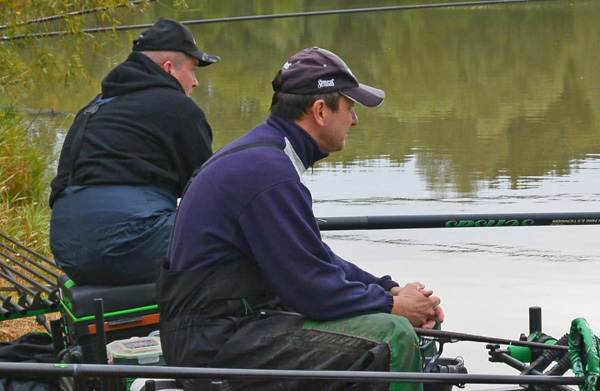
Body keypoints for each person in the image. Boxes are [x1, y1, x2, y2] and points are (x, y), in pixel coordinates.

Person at [158, 47, 444, 391]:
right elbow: (314, 292)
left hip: (230, 329)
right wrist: (394, 307)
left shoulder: (266, 155)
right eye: (350, 108)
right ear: (320, 111)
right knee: (392, 335)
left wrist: (390, 289)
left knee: (392, 321)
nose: (355, 120)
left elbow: (315, 258)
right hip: (214, 347)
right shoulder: (268, 172)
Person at [49, 18, 219, 286]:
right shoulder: (180, 109)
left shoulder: (94, 108)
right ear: (169, 69)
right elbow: (209, 193)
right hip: (128, 244)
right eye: (194, 70)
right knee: (233, 231)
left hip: (68, 249)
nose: (196, 82)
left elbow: (61, 185)